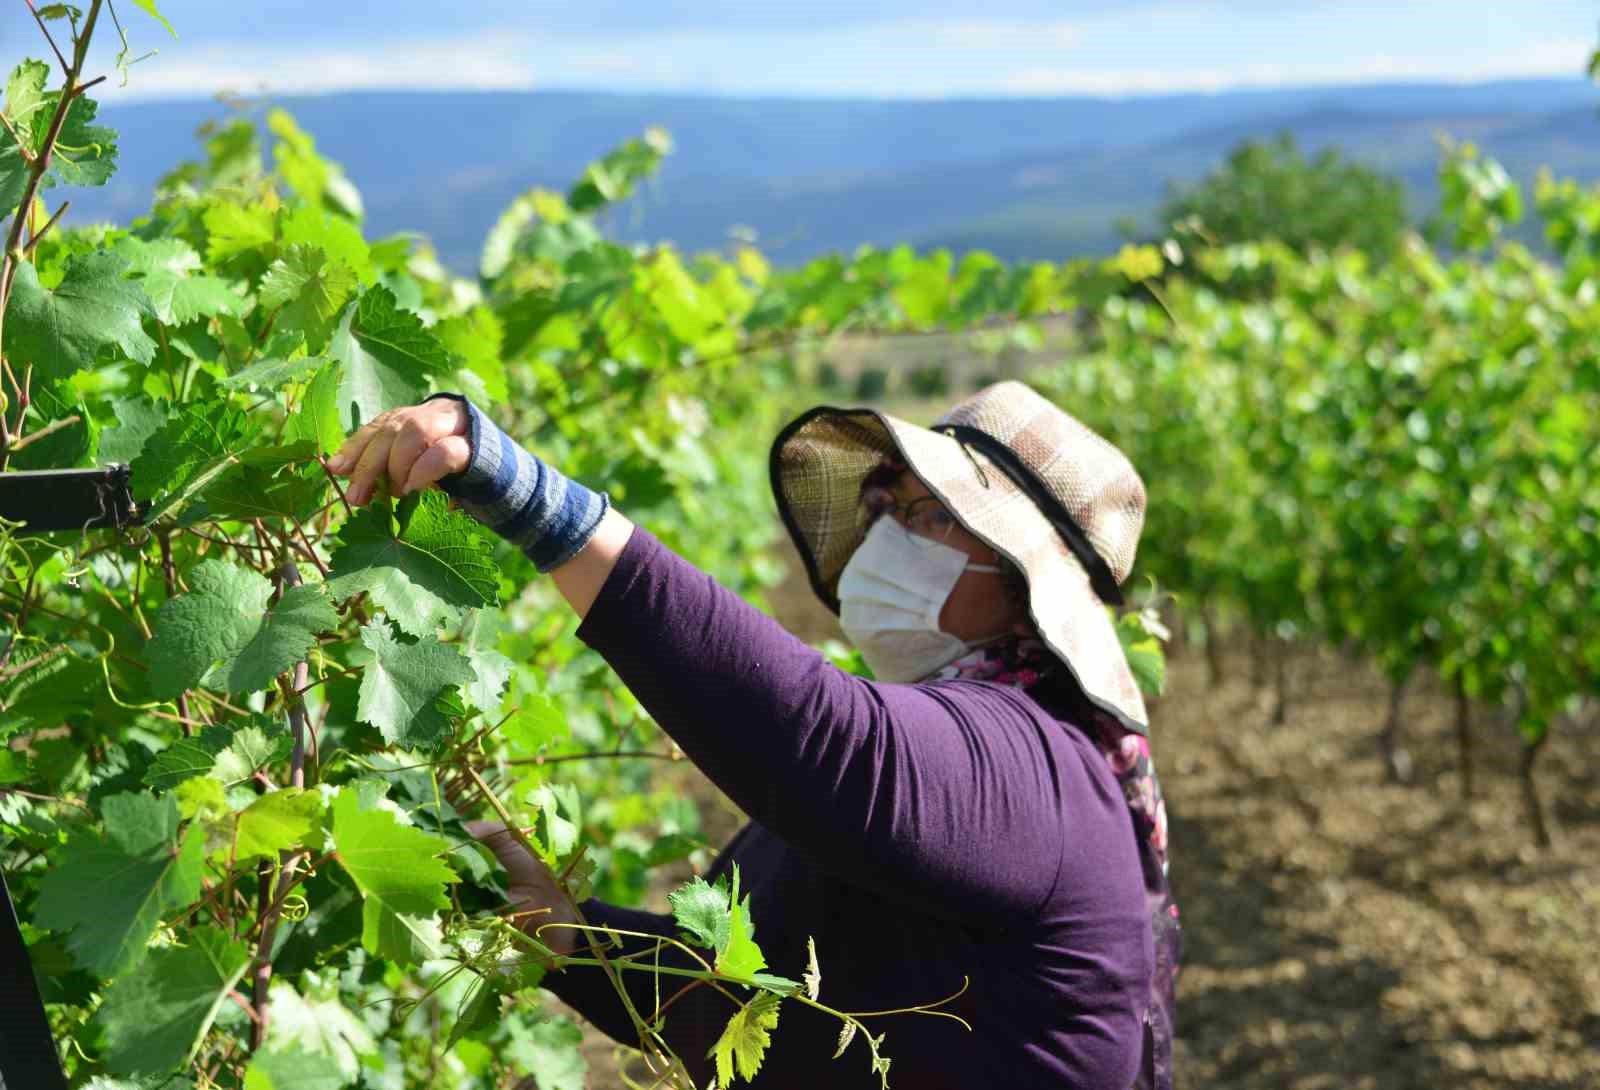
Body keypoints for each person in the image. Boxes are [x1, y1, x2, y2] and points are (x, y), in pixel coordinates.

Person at [327, 380, 1179, 1089]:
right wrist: (573, 936)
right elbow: (748, 1002)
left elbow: (827, 742)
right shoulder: (974, 770)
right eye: (889, 507)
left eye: (926, 518)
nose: (887, 536)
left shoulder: (1037, 772)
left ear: (1022, 581)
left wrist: (541, 507)